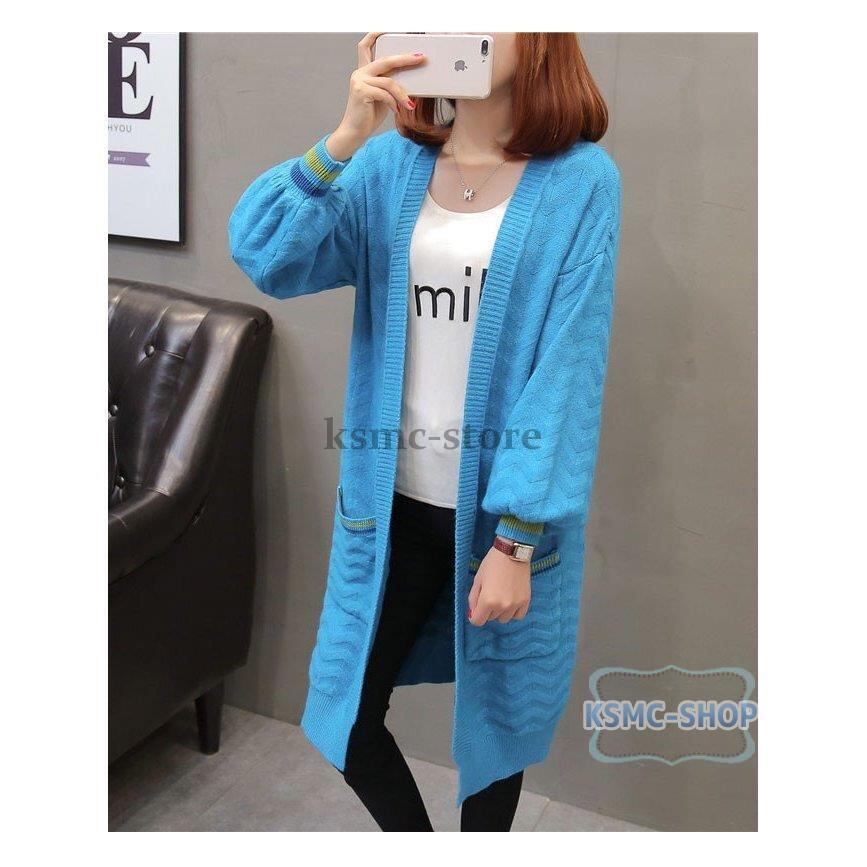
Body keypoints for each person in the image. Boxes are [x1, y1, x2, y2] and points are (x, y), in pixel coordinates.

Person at [229, 31, 620, 831]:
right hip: (389, 506)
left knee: (495, 731)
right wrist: (343, 139)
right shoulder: (385, 167)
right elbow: (268, 254)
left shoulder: (581, 181)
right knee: (344, 712)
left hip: (500, 517)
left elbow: (567, 367)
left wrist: (515, 539)